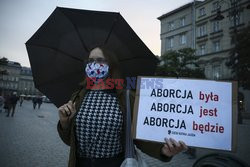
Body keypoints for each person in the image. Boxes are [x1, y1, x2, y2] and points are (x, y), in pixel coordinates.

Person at [57, 46, 188, 167]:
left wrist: (162, 150)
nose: (94, 64)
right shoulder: (78, 95)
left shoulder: (125, 96)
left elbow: (139, 136)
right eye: (90, 60)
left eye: (100, 60)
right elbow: (71, 141)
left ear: (111, 65)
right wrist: (64, 123)